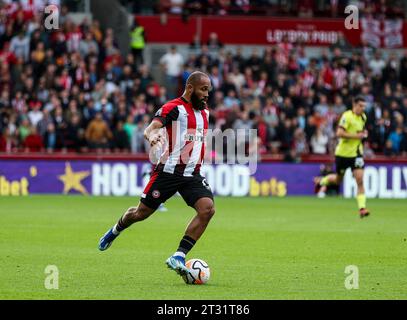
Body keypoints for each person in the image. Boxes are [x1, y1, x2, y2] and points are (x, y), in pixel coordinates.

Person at [98, 71, 215, 278]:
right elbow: (151, 128)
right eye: (203, 89)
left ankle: (178, 256)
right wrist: (152, 137)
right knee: (140, 213)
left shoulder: (204, 112)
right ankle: (115, 230)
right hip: (168, 172)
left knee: (207, 209)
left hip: (192, 174)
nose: (207, 94)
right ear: (190, 88)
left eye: (208, 90)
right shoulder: (173, 108)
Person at [314, 96, 370, 218]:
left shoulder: (363, 117)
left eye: (364, 106)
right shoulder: (347, 116)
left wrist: (363, 135)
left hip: (356, 154)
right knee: (338, 179)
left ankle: (362, 208)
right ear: (354, 105)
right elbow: (339, 133)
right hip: (343, 154)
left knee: (359, 180)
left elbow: (361, 133)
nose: (363, 108)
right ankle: (322, 181)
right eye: (360, 105)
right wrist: (357, 136)